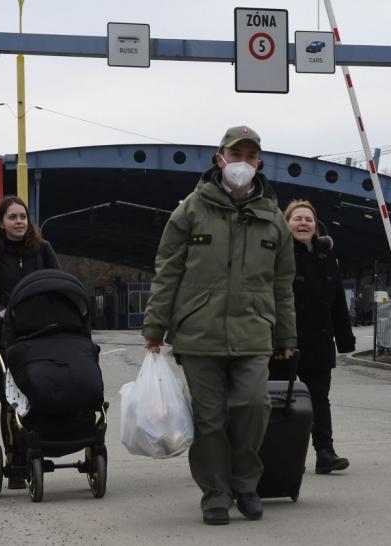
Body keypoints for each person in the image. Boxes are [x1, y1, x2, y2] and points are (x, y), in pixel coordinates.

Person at [142, 126, 296, 525]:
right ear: (219, 159)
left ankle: (245, 482)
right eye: (236, 153)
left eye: (250, 155)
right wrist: (154, 327)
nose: (242, 162)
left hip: (253, 330)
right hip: (199, 332)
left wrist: (285, 336)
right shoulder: (191, 210)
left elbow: (282, 283)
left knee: (252, 405)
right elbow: (167, 271)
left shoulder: (273, 218)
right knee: (209, 419)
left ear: (259, 162)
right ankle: (215, 492)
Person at [0, 195, 60, 490]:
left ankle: (44, 442)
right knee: (12, 396)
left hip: (42, 331)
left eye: (22, 216)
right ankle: (16, 460)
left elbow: (57, 282)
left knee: (44, 389)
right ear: (1, 222)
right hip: (6, 334)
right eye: (12, 217)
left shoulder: (42, 249)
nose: (19, 221)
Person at [270, 200, 355, 474]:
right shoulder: (275, 255)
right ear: (286, 224)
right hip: (282, 342)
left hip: (319, 341)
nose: (304, 223)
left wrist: (345, 340)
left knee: (319, 399)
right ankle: (277, 454)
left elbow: (338, 302)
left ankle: (325, 453)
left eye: (309, 219)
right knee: (278, 400)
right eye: (297, 218)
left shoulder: (326, 257)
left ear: (316, 226)